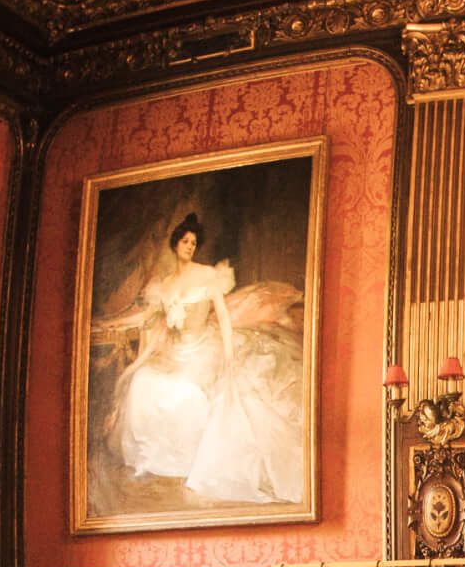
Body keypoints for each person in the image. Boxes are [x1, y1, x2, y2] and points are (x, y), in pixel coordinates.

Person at [93, 213, 315, 506]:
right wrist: (111, 323)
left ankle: (188, 460)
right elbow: (147, 315)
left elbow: (222, 316)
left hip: (205, 347)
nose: (189, 247)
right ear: (175, 245)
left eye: (193, 243)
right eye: (185, 242)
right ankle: (154, 458)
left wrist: (228, 351)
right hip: (176, 352)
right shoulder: (165, 283)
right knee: (142, 383)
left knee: (188, 393)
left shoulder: (208, 275)